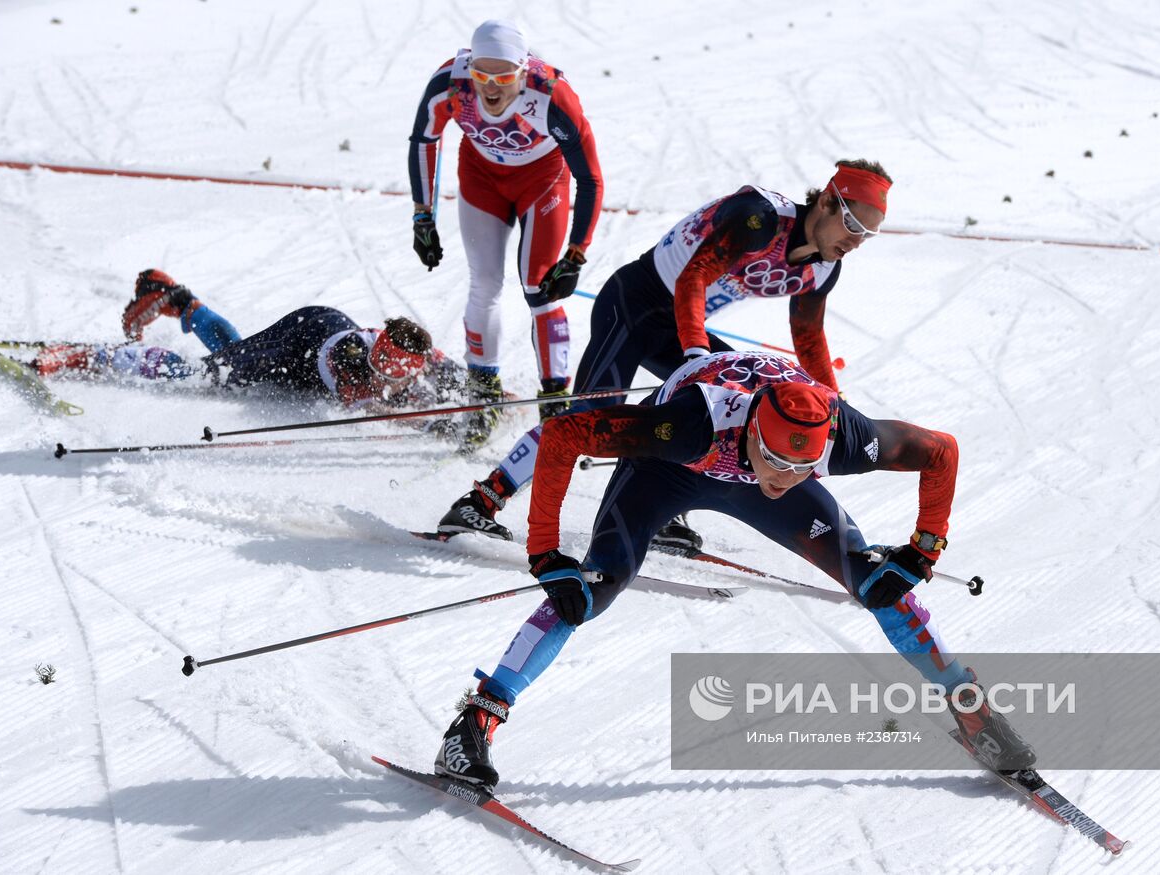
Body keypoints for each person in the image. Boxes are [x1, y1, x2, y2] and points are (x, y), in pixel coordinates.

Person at [431, 350, 1036, 791]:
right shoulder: (685, 426)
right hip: (674, 468)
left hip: (743, 459)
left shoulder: (841, 438)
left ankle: (971, 709)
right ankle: (476, 721)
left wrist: (924, 549)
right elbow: (563, 437)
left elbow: (942, 451)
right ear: (751, 433)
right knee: (586, 593)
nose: (783, 477)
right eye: (772, 460)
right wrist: (544, 555)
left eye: (801, 467)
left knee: (880, 587)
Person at [432, 159, 891, 552]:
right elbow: (693, 278)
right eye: (852, 224)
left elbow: (808, 337)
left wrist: (833, 405)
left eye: (868, 234)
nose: (855, 240)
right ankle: (479, 502)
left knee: (733, 402)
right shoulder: (761, 218)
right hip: (635, 304)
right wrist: (696, 355)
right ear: (828, 201)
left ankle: (663, 508)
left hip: (679, 326)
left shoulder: (823, 268)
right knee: (588, 415)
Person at [408, 18, 605, 445]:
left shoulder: (552, 95)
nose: (491, 87)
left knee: (540, 288)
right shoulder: (450, 83)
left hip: (542, 182)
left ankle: (555, 403)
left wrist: (575, 255)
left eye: (503, 77)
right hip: (482, 178)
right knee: (484, 285)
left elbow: (590, 178)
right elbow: (424, 139)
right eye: (481, 75)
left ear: (523, 70)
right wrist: (422, 216)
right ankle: (484, 397)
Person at [33, 269, 457, 413]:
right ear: (380, 360)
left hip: (323, 327)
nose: (398, 380)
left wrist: (488, 399)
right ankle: (87, 356)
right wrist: (440, 421)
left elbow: (448, 375)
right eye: (388, 372)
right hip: (296, 348)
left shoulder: (413, 354)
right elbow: (382, 408)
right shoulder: (354, 368)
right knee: (202, 376)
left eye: (404, 374)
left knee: (228, 354)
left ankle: (177, 300)